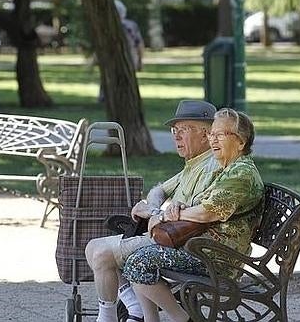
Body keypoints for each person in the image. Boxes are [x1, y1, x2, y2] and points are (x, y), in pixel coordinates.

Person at [122, 108, 265, 322]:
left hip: (218, 258)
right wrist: (177, 206)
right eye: (211, 134)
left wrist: (167, 216)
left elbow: (207, 213)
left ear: (241, 142)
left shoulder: (241, 173)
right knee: (137, 258)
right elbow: (201, 204)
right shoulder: (227, 167)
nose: (213, 140)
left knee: (139, 262)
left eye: (220, 135)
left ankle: (182, 319)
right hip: (201, 248)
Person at [85, 100, 219, 322]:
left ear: (205, 135)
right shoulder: (193, 164)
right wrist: (153, 208)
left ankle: (111, 317)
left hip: (181, 242)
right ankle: (135, 310)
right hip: (167, 236)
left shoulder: (210, 167)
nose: (176, 137)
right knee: (93, 248)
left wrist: (157, 215)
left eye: (183, 130)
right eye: (174, 130)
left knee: (100, 253)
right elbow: (159, 189)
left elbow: (195, 213)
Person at [98, 0, 145, 103]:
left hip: (112, 57)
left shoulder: (107, 26)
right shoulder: (131, 25)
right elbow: (139, 44)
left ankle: (105, 98)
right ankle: (128, 99)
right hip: (130, 57)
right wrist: (140, 60)